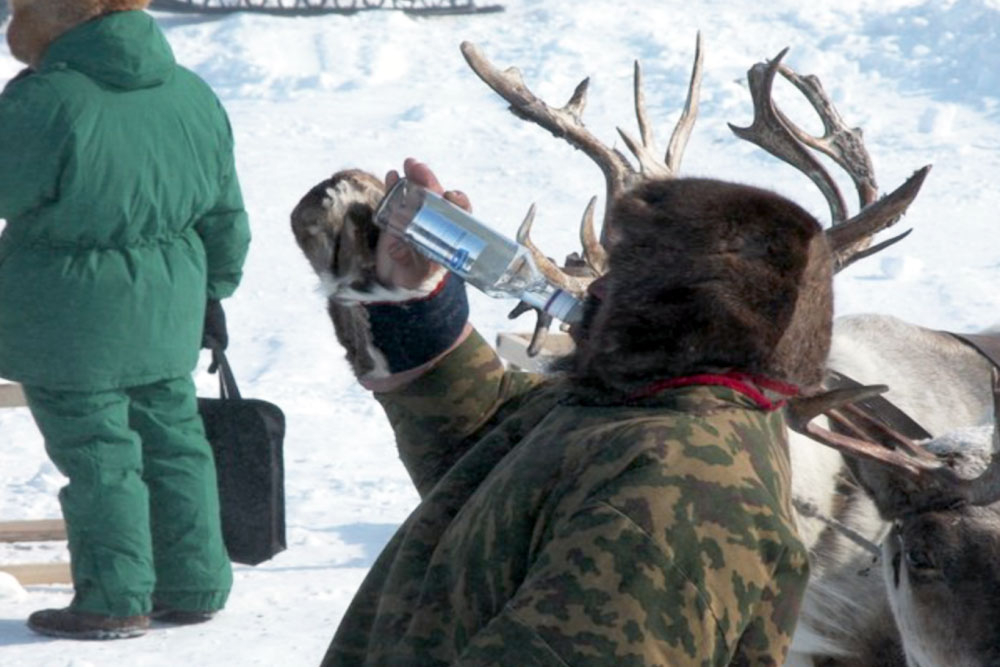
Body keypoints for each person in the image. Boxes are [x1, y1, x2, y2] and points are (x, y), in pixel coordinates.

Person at [299, 157, 833, 665]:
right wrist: (409, 299)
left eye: (627, 273)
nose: (597, 289)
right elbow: (487, 462)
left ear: (680, 308)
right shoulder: (638, 412)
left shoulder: (678, 492)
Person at [0, 0, 250, 639]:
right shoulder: (192, 92)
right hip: (169, 306)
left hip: (68, 315)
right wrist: (211, 293)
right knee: (175, 442)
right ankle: (193, 584)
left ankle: (113, 599)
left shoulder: (48, 100)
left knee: (99, 455)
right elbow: (224, 212)